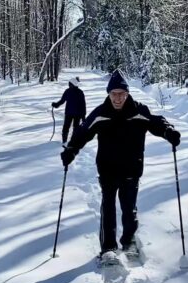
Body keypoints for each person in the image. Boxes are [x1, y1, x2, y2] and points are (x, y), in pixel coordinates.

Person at [60, 70, 181, 259]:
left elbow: (157, 123)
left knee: (129, 208)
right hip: (107, 169)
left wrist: (169, 132)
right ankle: (108, 248)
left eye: (121, 94)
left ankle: (129, 241)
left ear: (127, 94)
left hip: (132, 169)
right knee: (108, 208)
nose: (118, 98)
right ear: (108, 94)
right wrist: (71, 150)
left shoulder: (138, 111)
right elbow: (83, 132)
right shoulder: (101, 113)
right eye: (114, 94)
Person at [52, 76, 86, 145]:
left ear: (72, 84)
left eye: (69, 83)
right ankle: (68, 141)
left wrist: (56, 105)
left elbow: (62, 101)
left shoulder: (69, 91)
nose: (69, 84)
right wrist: (83, 117)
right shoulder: (79, 92)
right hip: (76, 114)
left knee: (67, 127)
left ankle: (66, 141)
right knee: (74, 128)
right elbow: (83, 105)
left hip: (71, 113)